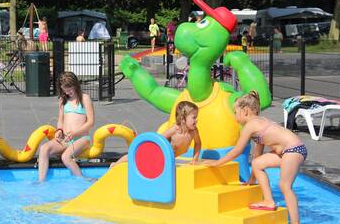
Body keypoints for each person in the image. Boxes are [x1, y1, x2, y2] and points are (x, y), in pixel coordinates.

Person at [203, 91, 307, 224]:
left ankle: (295, 222)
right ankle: (269, 201)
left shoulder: (250, 125)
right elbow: (256, 158)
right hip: (290, 151)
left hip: (293, 150)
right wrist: (250, 181)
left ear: (245, 111)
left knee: (285, 185)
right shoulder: (259, 124)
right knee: (257, 163)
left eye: (236, 112)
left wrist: (218, 163)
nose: (235, 116)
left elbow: (237, 150)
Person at [37, 72, 94, 182]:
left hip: (81, 139)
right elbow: (61, 120)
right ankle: (41, 181)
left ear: (76, 85)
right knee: (44, 148)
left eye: (70, 89)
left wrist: (75, 133)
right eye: (65, 90)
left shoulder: (85, 98)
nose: (68, 92)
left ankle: (83, 179)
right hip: (66, 139)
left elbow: (91, 122)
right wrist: (59, 130)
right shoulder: (63, 100)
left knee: (65, 157)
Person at [110, 101, 202, 167]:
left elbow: (198, 143)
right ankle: (115, 164)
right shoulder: (174, 130)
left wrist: (195, 159)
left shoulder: (194, 131)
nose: (197, 120)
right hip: (158, 153)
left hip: (166, 157)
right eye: (194, 117)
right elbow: (159, 139)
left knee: (141, 159)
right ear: (182, 119)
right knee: (138, 155)